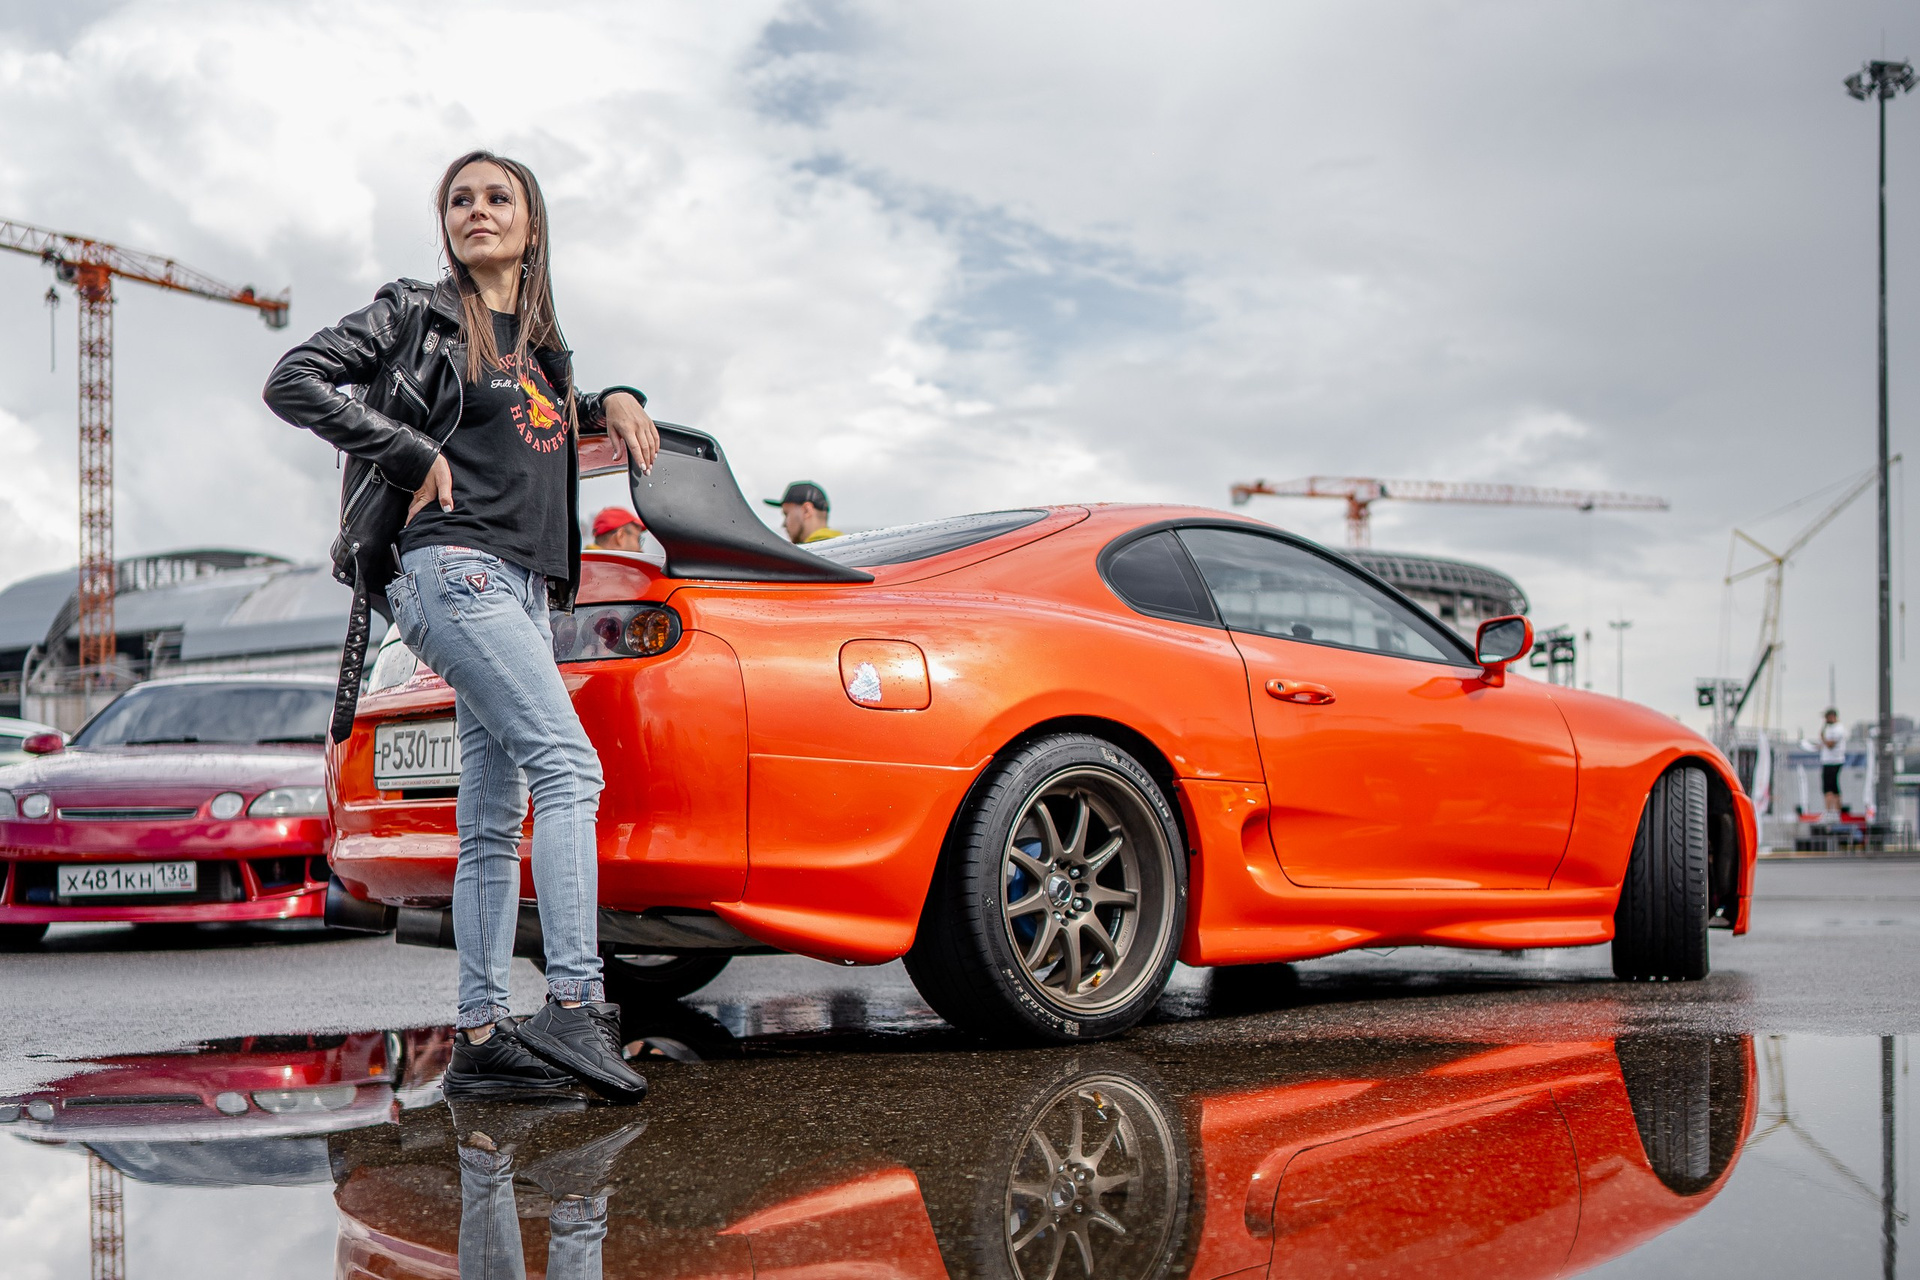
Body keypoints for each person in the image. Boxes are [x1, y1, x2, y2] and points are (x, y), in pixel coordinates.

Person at [264, 149, 659, 1104]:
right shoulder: (415, 312)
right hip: (453, 569)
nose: (476, 210)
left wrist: (613, 399)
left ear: (532, 223)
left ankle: (480, 1035)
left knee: (489, 818)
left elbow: (541, 425)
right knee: (569, 769)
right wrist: (403, 449)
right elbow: (293, 378)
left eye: (497, 196)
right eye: (458, 199)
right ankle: (576, 1003)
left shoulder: (543, 354)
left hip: (522, 589)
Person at [764, 480, 842, 543]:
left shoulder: (810, 552)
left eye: (786, 514)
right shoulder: (841, 544)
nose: (784, 525)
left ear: (806, 510)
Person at [1817, 708, 1847, 815]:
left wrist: (1823, 739)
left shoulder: (1838, 729)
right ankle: (1831, 810)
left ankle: (1831, 811)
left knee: (1830, 787)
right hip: (1827, 761)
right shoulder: (1828, 728)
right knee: (1830, 787)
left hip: (1834, 761)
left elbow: (1830, 744)